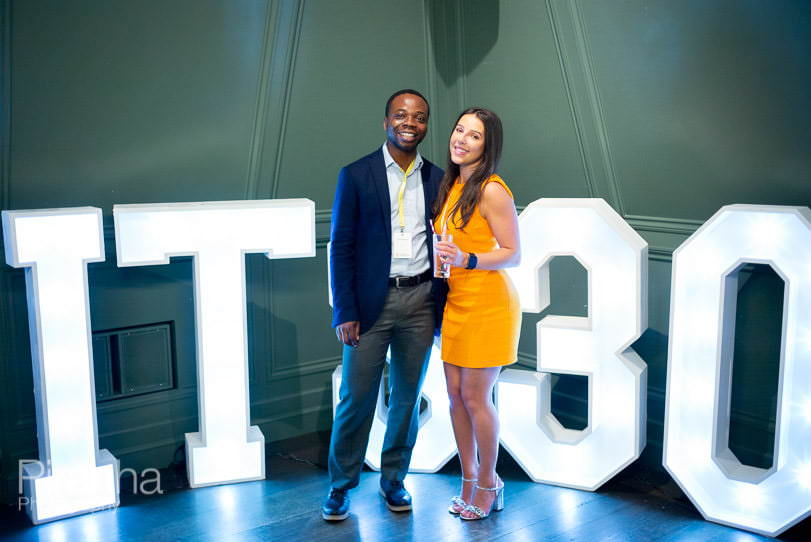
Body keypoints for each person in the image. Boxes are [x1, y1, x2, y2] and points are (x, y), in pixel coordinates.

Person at [323, 89, 446, 521]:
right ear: (386, 122)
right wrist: (345, 311)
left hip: (421, 301)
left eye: (419, 116)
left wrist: (442, 310)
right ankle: (340, 486)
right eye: (401, 114)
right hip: (369, 304)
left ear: (426, 125)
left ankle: (394, 480)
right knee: (355, 399)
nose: (409, 122)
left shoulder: (439, 178)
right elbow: (341, 248)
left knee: (407, 400)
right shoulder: (355, 175)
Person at [433, 107, 521, 521]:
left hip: (489, 305)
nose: (461, 140)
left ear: (488, 147)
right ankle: (468, 478)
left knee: (475, 397)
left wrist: (467, 258)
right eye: (459, 130)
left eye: (474, 136)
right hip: (456, 302)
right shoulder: (453, 183)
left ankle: (489, 482)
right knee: (454, 397)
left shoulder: (492, 190)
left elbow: (512, 253)